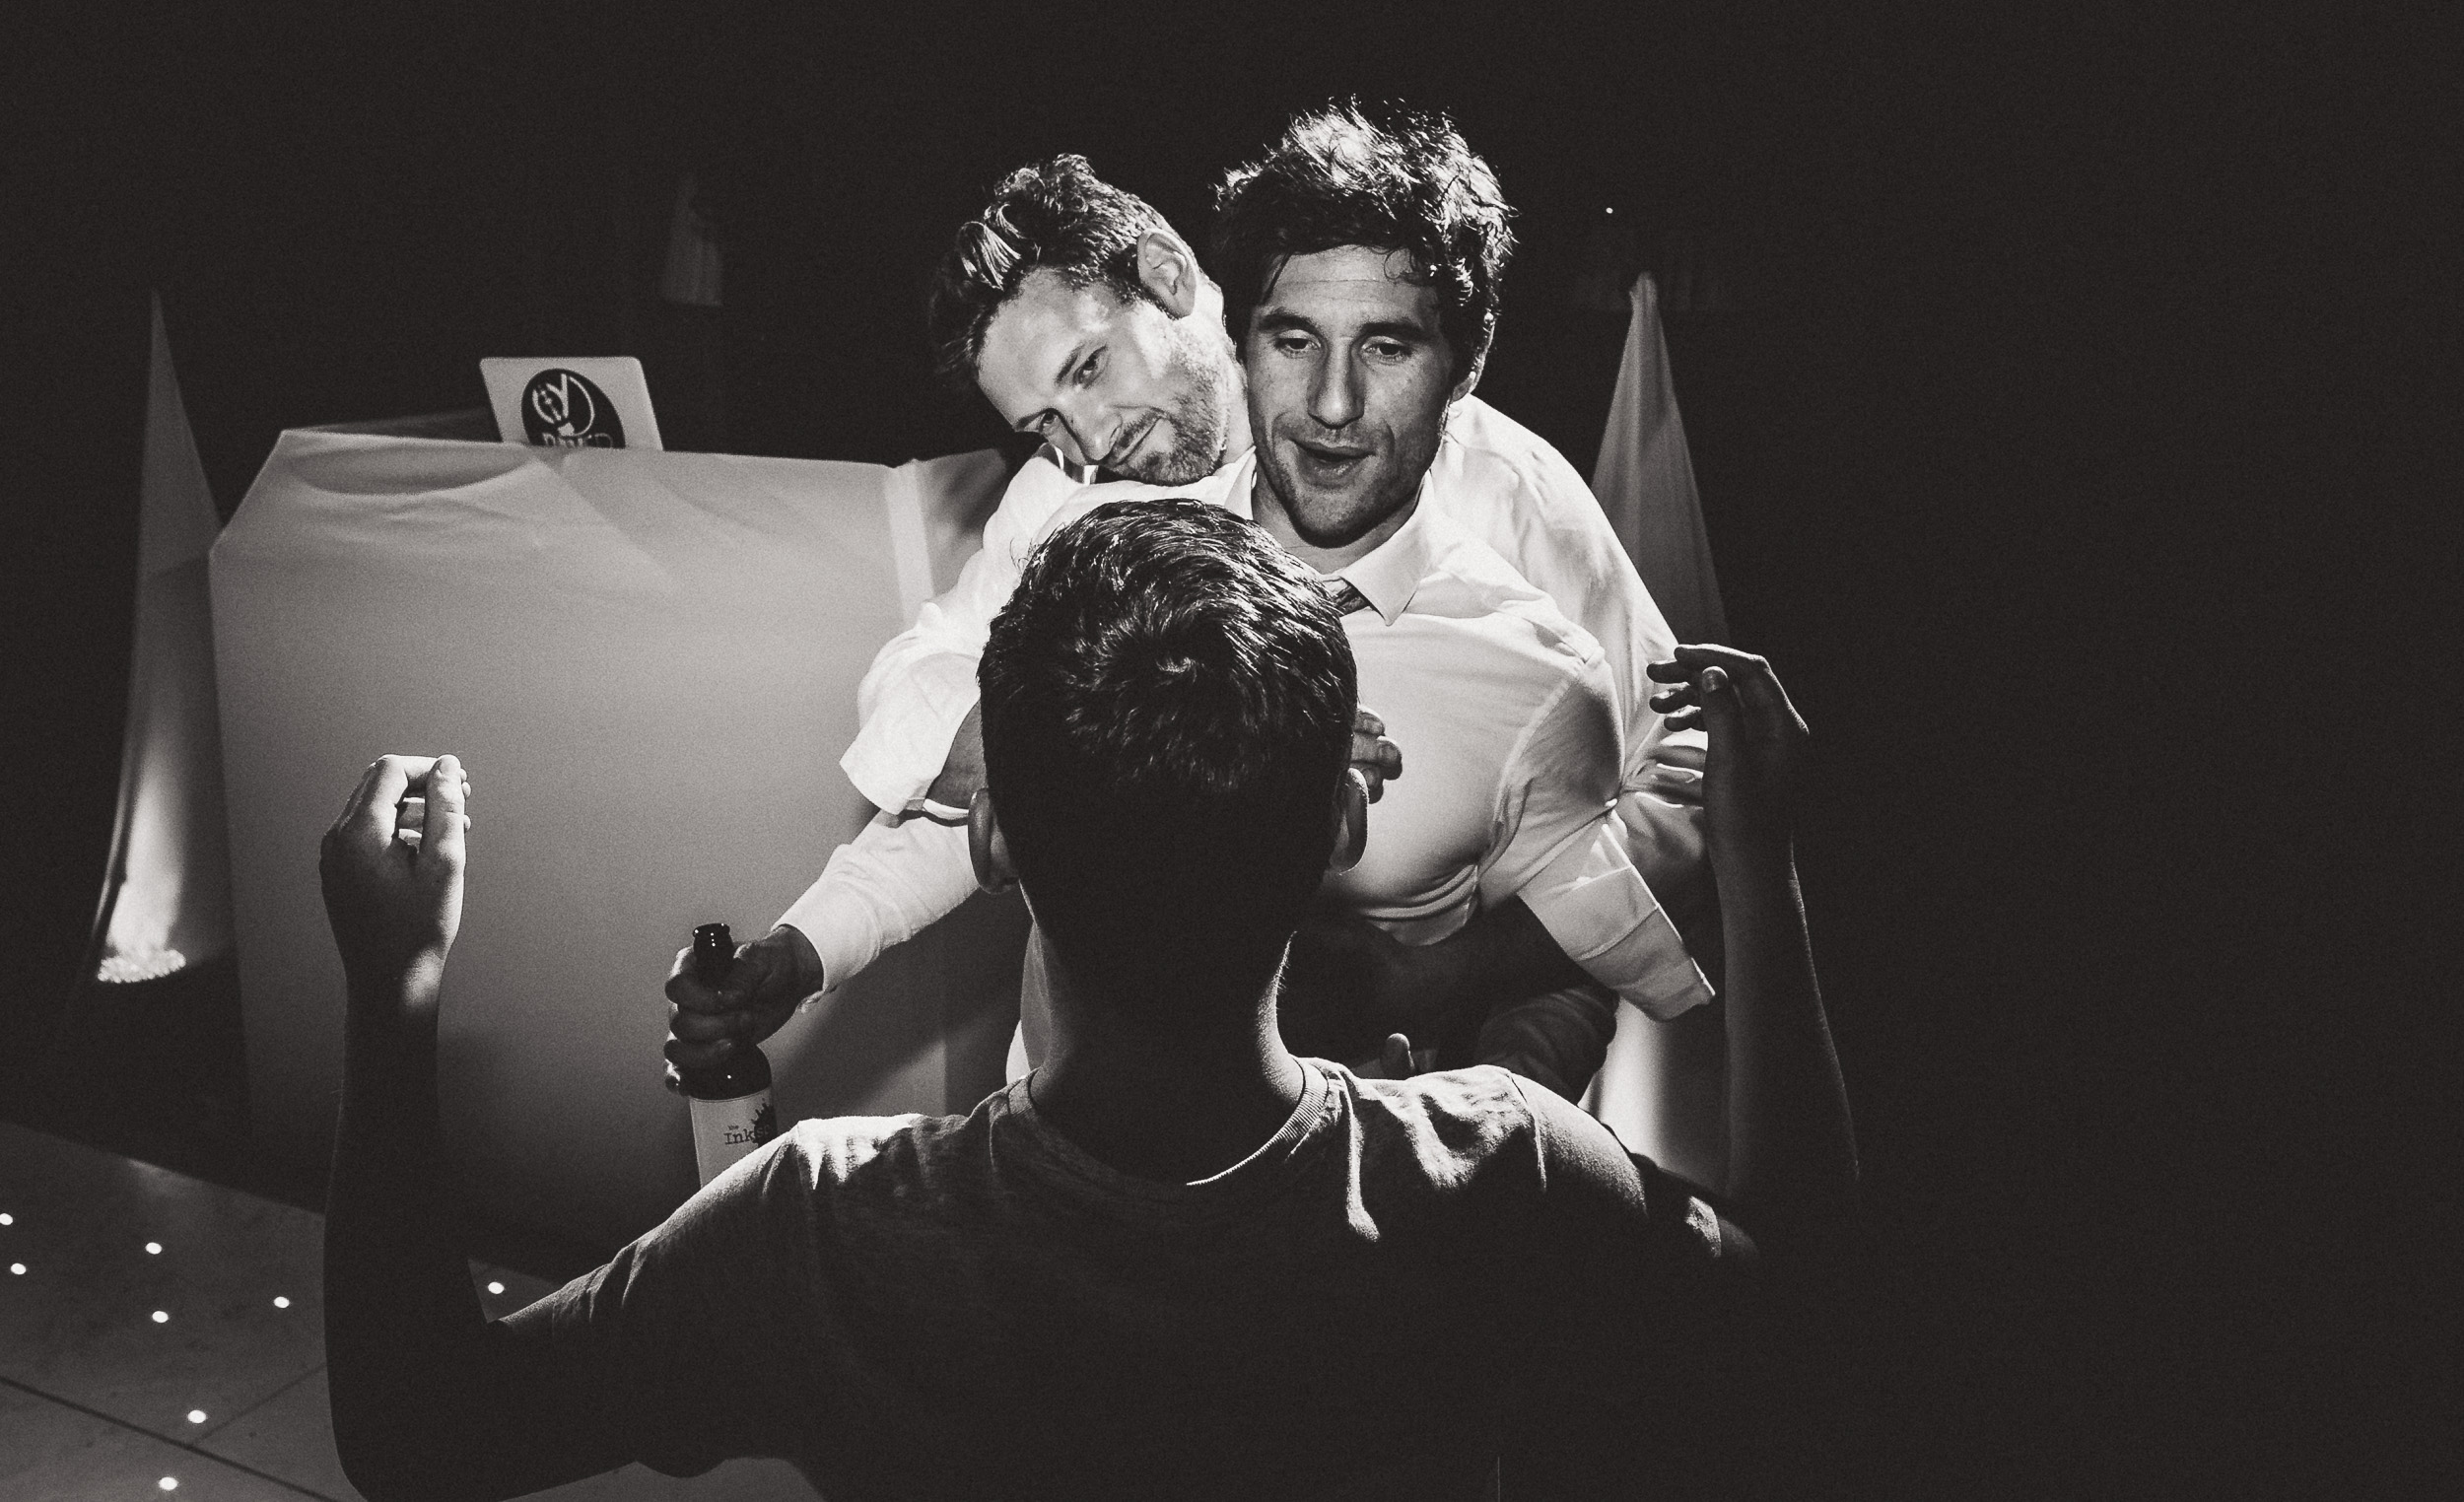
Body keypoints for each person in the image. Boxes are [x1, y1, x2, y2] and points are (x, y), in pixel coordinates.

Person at [320, 501, 1855, 1501]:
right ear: (1342, 821)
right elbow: (1801, 1312)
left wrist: (393, 994)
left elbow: (421, 1429)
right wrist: (1759, 860)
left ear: (992, 836)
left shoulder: (826, 1234)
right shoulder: (1493, 1173)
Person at [676, 105, 1712, 1096]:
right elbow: (931, 717)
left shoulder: (1505, 509)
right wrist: (809, 943)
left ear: (1174, 283)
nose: (1084, 442)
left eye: (1090, 369)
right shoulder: (1079, 510)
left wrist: (1467, 1037)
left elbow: (1653, 783)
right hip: (1073, 1127)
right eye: (1043, 423)